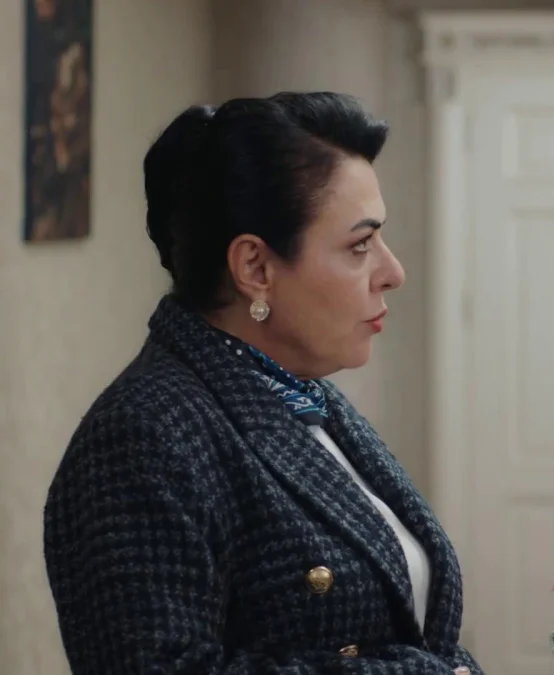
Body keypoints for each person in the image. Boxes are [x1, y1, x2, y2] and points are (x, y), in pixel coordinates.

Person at [43, 92, 482, 674]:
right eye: (360, 245)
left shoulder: (299, 391)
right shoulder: (140, 438)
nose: (392, 272)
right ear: (255, 267)